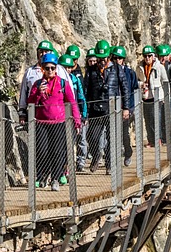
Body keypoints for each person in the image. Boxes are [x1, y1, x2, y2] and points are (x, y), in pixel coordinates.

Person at [26, 52, 82, 189]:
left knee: (57, 151)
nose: (50, 70)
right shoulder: (37, 84)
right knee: (42, 151)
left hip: (59, 122)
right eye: (47, 68)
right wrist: (38, 92)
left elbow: (72, 102)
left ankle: (56, 178)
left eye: (52, 68)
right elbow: (30, 102)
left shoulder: (62, 83)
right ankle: (42, 176)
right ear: (42, 69)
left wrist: (77, 121)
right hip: (41, 123)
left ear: (56, 69)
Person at [104, 46, 138, 166]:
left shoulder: (129, 73)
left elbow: (132, 90)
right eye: (115, 58)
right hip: (112, 107)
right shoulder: (109, 71)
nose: (117, 60)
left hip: (124, 107)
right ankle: (112, 159)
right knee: (111, 134)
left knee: (124, 133)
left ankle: (128, 152)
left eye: (120, 58)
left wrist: (128, 108)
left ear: (123, 59)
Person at [84, 43, 111, 171]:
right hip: (95, 108)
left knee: (111, 138)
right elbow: (86, 91)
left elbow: (123, 88)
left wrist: (126, 107)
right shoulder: (91, 71)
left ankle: (110, 164)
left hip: (111, 108)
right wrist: (85, 111)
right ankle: (96, 156)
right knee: (92, 137)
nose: (101, 60)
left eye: (104, 57)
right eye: (99, 57)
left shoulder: (115, 69)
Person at [137, 45, 165, 147]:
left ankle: (157, 140)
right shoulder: (139, 67)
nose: (147, 58)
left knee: (155, 119)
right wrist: (141, 84)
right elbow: (137, 80)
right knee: (148, 120)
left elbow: (165, 81)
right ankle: (151, 140)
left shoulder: (159, 67)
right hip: (145, 96)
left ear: (153, 56)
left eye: (149, 56)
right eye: (145, 56)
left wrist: (166, 96)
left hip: (157, 96)